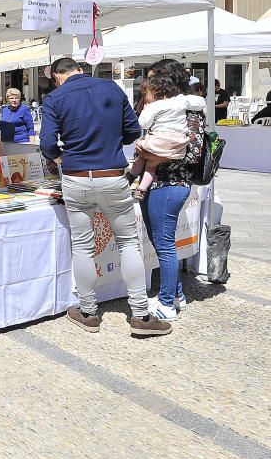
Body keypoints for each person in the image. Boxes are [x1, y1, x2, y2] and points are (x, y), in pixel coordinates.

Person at [39, 56, 171, 337]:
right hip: (112, 176)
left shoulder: (55, 98)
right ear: (80, 69)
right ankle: (140, 315)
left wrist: (62, 157)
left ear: (57, 76)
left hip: (75, 178)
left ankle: (88, 312)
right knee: (128, 243)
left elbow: (48, 144)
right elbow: (133, 131)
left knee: (83, 246)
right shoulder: (111, 88)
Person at [139, 58, 207, 321]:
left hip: (172, 182)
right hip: (154, 183)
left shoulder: (189, 110)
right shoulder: (159, 104)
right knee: (159, 241)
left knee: (165, 244)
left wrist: (155, 156)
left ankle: (167, 304)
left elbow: (194, 154)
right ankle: (176, 294)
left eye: (156, 77)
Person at [128, 73, 205, 200]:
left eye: (146, 94)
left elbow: (143, 124)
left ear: (155, 92)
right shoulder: (180, 100)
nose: (145, 98)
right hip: (179, 143)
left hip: (159, 140)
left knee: (142, 155)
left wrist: (146, 109)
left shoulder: (154, 105)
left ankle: (131, 177)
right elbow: (201, 102)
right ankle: (141, 189)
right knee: (151, 164)